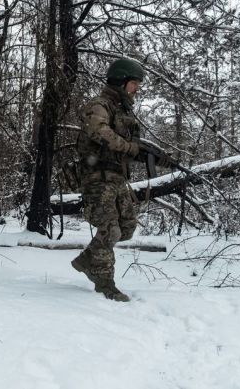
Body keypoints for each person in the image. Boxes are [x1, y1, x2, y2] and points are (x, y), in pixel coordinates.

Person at [71, 57, 168, 302]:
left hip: (116, 179)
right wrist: (129, 147)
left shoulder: (124, 111)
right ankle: (104, 283)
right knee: (110, 228)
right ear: (120, 81)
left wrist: (152, 156)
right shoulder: (99, 105)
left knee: (127, 227)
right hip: (97, 178)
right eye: (134, 84)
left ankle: (87, 259)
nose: (137, 89)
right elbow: (99, 131)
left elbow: (129, 147)